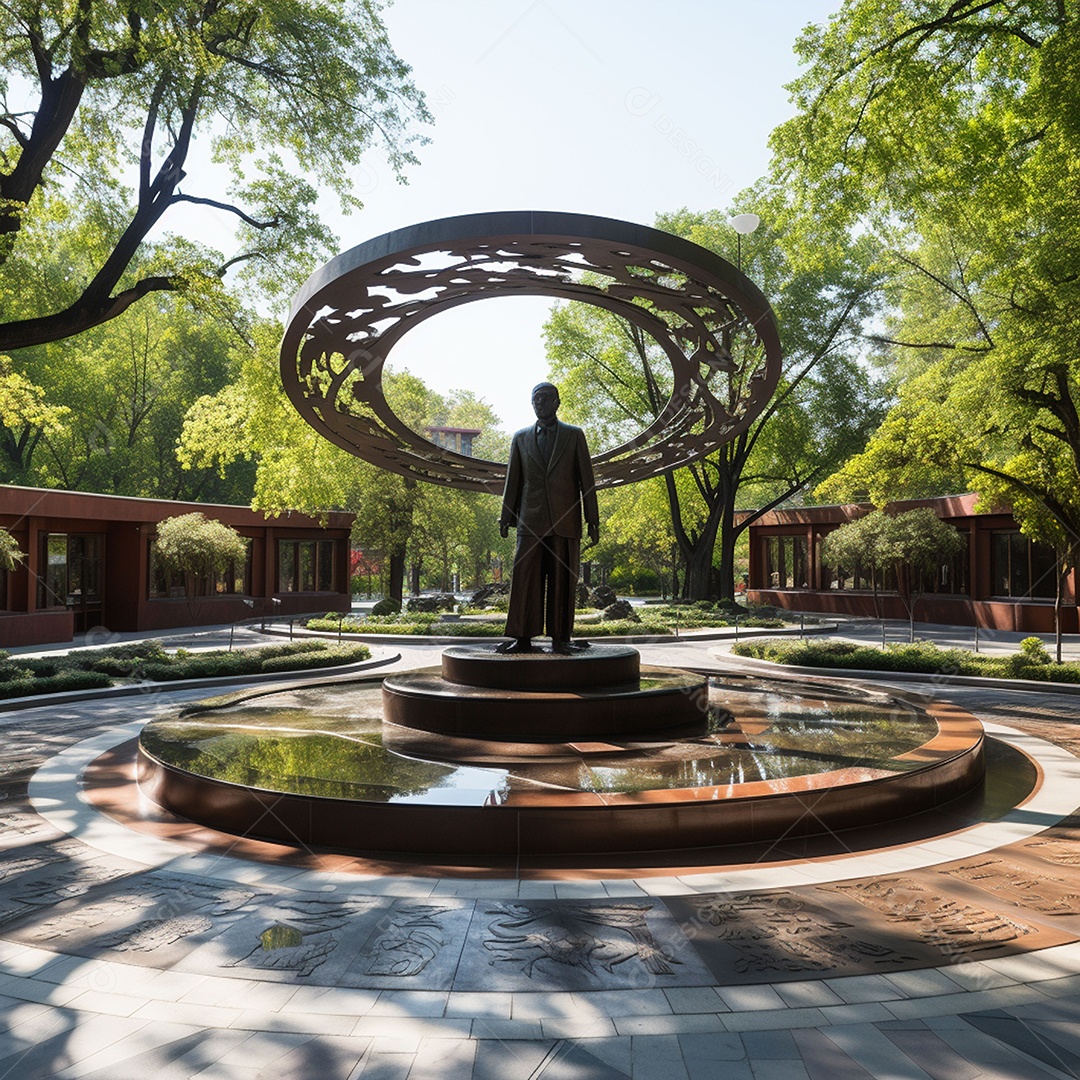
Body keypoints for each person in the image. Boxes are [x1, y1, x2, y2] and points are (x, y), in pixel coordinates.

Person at [498, 382, 599, 654]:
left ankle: (560, 639)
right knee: (524, 579)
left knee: (561, 580)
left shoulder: (574, 436)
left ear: (557, 402)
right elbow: (514, 481)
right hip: (529, 520)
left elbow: (586, 481)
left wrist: (593, 520)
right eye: (536, 399)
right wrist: (505, 517)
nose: (540, 403)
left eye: (545, 399)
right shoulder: (520, 438)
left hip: (565, 522)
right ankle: (521, 638)